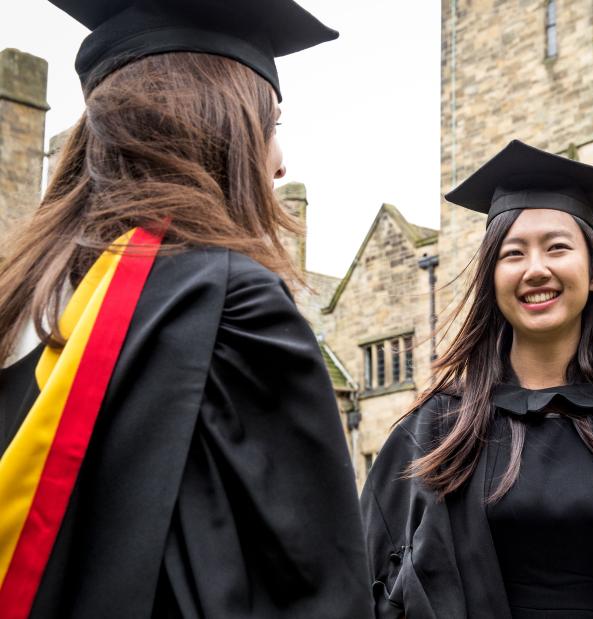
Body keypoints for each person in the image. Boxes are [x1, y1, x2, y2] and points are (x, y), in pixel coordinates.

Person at [0, 0, 369, 616]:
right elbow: (312, 588)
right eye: (272, 125)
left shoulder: (32, 304)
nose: (281, 162)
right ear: (220, 123)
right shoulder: (232, 306)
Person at [360, 140, 593, 619]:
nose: (536, 269)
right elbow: (367, 585)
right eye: (513, 253)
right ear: (491, 275)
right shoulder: (436, 430)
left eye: (557, 248)